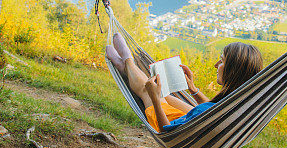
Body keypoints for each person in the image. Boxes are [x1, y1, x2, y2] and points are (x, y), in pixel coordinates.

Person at [106, 34, 263, 132]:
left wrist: (155, 99)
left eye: (221, 61)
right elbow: (213, 110)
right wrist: (193, 89)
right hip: (197, 122)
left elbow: (167, 131)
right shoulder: (239, 102)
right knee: (165, 95)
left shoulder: (215, 110)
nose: (216, 65)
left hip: (175, 129)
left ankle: (127, 62)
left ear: (233, 70)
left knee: (150, 92)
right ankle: (126, 68)